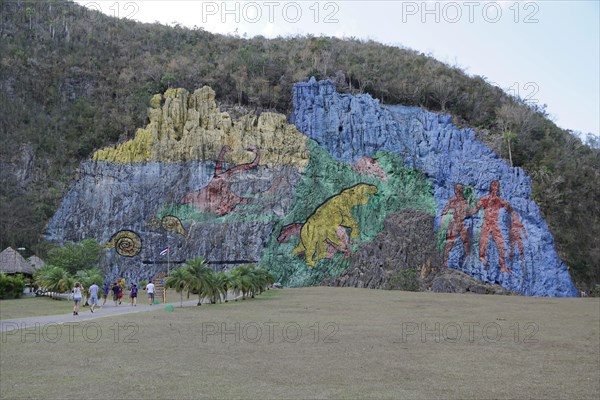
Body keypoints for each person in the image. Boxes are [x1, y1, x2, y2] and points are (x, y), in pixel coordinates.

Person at [469, 180, 512, 273]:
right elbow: (475, 208)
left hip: (495, 224)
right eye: (493, 185)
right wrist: (467, 214)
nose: (495, 187)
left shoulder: (500, 200)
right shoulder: (485, 198)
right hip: (487, 223)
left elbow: (507, 208)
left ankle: (502, 265)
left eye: (497, 185)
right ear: (490, 187)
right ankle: (481, 258)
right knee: (483, 242)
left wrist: (506, 206)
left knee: (501, 245)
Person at [440, 183, 471, 268]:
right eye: (458, 189)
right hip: (454, 224)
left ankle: (467, 262)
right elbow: (445, 211)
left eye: (461, 189)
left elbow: (468, 213)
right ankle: (445, 262)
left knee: (466, 242)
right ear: (455, 190)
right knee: (449, 242)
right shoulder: (452, 200)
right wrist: (443, 221)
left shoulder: (465, 201)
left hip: (462, 224)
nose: (459, 191)